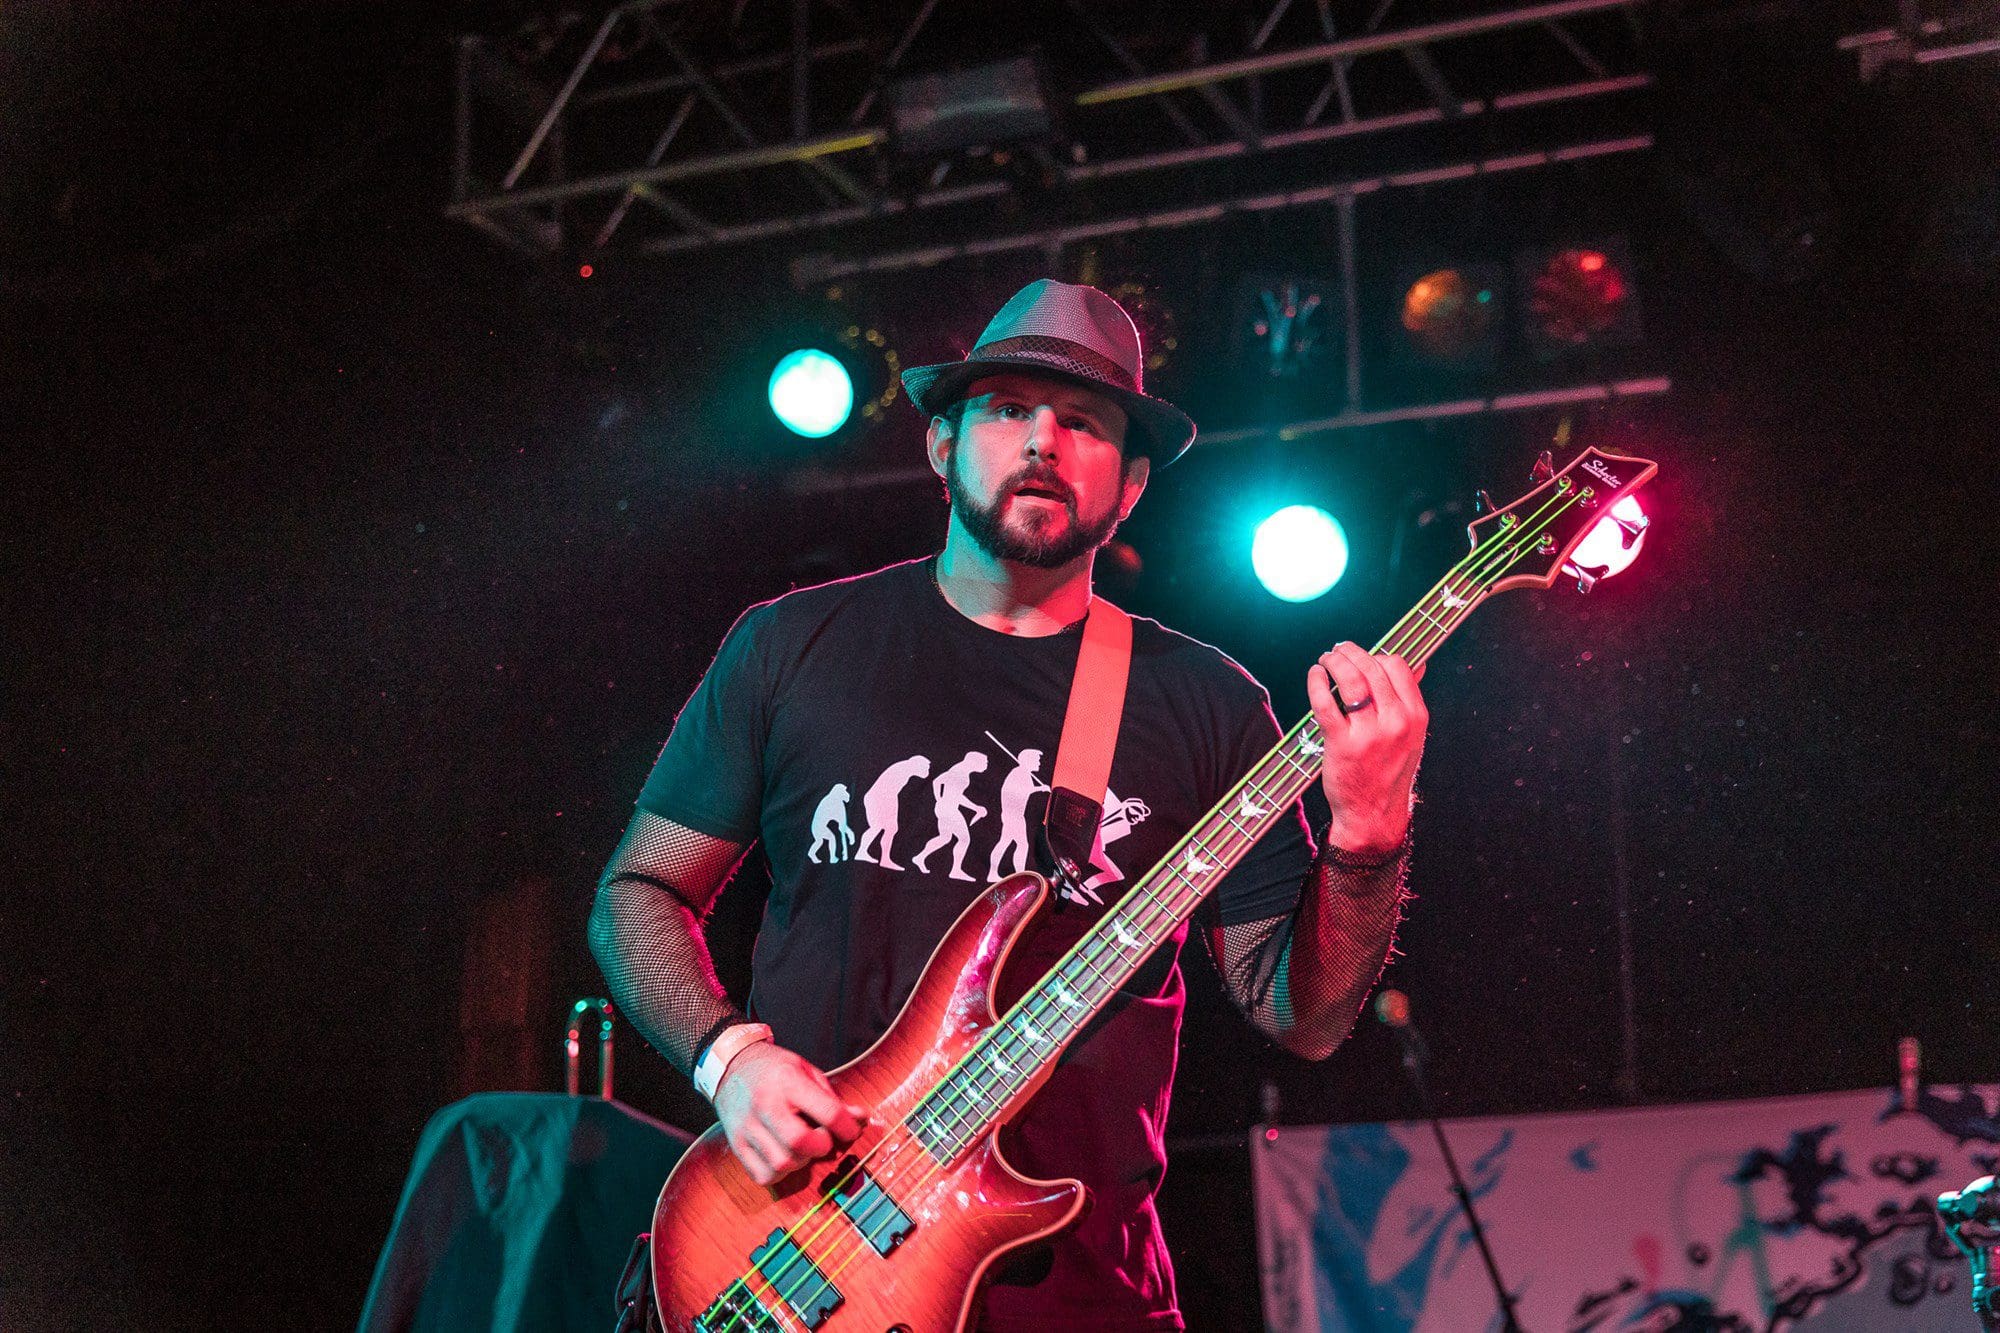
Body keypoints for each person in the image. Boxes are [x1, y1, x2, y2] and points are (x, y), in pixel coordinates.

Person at [589, 279, 1427, 1332]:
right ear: (941, 446)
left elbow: (1301, 1014)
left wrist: (1370, 833)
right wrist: (732, 1061)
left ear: (1129, 487)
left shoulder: (1206, 704)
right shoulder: (791, 645)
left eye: (1084, 423)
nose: (1043, 441)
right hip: (794, 1255)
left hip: (1080, 1296)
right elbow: (639, 891)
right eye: (1007, 409)